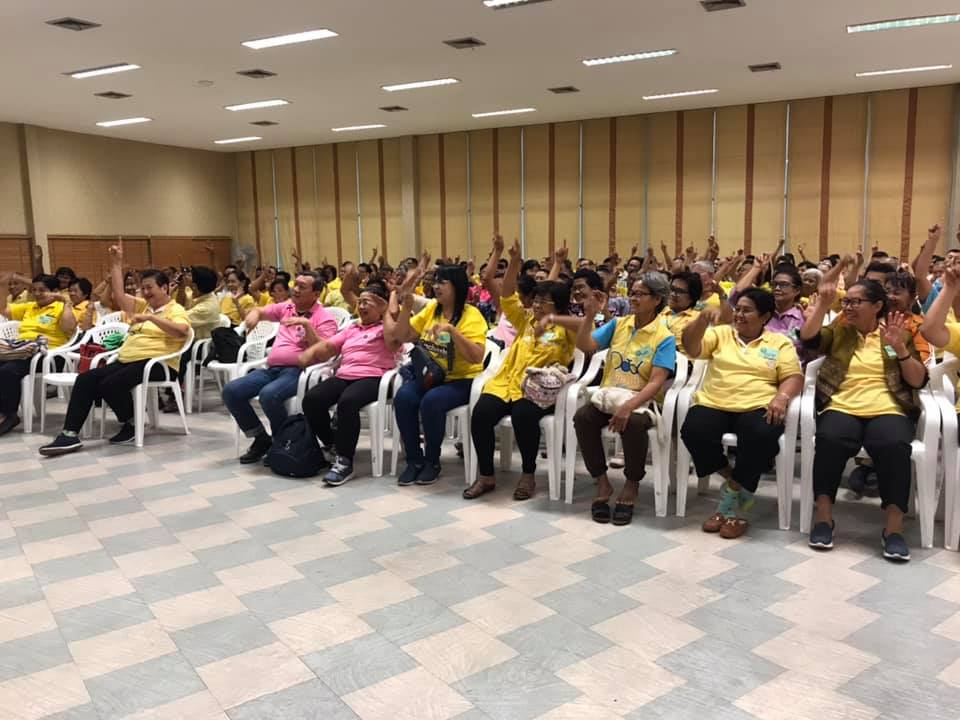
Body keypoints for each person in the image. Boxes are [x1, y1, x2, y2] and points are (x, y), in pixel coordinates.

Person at [799, 280, 926, 561]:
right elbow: (809, 340)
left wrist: (900, 349)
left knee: (895, 445)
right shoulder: (840, 331)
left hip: (888, 408)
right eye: (846, 301)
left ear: (877, 306)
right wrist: (822, 305)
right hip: (842, 405)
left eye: (856, 302)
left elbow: (917, 380)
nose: (848, 307)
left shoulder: (897, 334)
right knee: (829, 439)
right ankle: (823, 519)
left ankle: (894, 529)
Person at [38, 243, 190, 455]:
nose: (146, 292)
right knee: (86, 379)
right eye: (143, 288)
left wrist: (151, 319)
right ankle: (69, 435)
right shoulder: (144, 306)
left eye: (150, 288)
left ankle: (131, 423)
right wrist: (116, 263)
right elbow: (119, 294)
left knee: (109, 384)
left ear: (164, 288)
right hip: (128, 360)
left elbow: (182, 331)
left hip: (158, 364)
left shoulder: (175, 309)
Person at [680, 288, 802, 539]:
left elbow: (793, 376)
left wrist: (781, 397)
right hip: (715, 401)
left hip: (757, 404)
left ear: (765, 316)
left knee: (762, 434)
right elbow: (692, 348)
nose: (739, 315)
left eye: (747, 311)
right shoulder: (722, 333)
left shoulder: (779, 342)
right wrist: (701, 321)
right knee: (693, 431)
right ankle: (736, 483)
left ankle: (730, 506)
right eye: (738, 309)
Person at [465, 240, 576, 502]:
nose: (536, 305)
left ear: (559, 306)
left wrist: (559, 268)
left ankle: (528, 474)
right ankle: (486, 476)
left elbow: (582, 324)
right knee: (480, 414)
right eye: (535, 300)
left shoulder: (566, 329)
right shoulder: (525, 319)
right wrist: (514, 260)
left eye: (544, 302)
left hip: (538, 389)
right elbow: (506, 293)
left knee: (523, 416)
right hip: (506, 383)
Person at [572, 273, 676, 526]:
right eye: (632, 293)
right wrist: (590, 315)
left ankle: (631, 483)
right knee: (583, 417)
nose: (633, 298)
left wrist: (629, 407)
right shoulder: (619, 324)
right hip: (610, 396)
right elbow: (586, 345)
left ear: (657, 300)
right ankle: (602, 482)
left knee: (634, 424)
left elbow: (656, 381)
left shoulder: (664, 336)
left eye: (640, 294)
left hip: (641, 400)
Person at [385, 264, 487, 487]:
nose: (436, 286)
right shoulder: (432, 309)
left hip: (461, 380)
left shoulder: (472, 315)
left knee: (431, 401)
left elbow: (476, 357)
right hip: (429, 375)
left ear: (457, 286)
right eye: (435, 281)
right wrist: (406, 308)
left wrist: (452, 331)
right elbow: (401, 336)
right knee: (403, 398)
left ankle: (432, 460)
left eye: (442, 282)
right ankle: (414, 460)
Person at [222, 272, 338, 464]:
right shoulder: (287, 307)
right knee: (231, 391)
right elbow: (260, 310)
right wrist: (253, 316)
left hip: (298, 372)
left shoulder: (325, 318)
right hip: (272, 369)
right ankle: (261, 438)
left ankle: (282, 443)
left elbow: (326, 351)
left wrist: (307, 326)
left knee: (269, 395)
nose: (295, 289)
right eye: (295, 284)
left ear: (316, 294)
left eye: (302, 287)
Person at [300, 281, 401, 485]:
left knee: (347, 402)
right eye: (360, 302)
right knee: (312, 399)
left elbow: (393, 343)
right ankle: (333, 445)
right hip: (345, 375)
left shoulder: (387, 327)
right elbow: (329, 347)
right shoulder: (352, 328)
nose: (361, 306)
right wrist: (311, 352)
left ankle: (345, 462)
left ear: (381, 306)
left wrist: (387, 313)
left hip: (375, 377)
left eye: (367, 302)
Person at [0, 272, 78, 436]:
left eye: (42, 290)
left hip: (49, 354)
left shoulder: (60, 307)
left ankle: (8, 415)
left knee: (8, 371)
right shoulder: (30, 306)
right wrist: (2, 286)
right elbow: (4, 309)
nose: (36, 294)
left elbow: (69, 328)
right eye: (34, 290)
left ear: (54, 291)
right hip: (23, 350)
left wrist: (65, 303)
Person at [660, 271, 702, 355]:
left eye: (679, 291)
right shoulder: (659, 311)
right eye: (672, 289)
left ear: (692, 297)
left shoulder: (697, 319)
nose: (673, 294)